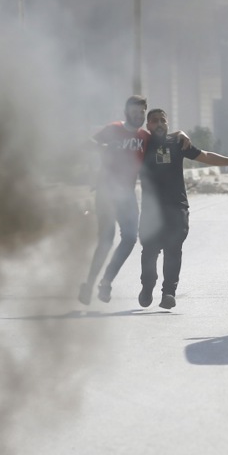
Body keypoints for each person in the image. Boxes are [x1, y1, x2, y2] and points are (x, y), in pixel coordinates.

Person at [137, 108, 228, 309]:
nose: (159, 124)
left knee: (174, 250)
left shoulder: (177, 144)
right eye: (154, 121)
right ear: (148, 126)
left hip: (176, 207)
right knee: (149, 253)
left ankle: (169, 293)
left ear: (167, 123)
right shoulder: (142, 144)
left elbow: (205, 156)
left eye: (162, 120)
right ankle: (147, 287)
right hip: (150, 211)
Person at [78, 95, 150, 305]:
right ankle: (89, 285)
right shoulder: (114, 128)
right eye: (135, 112)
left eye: (142, 112)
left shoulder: (145, 137)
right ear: (127, 112)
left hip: (127, 193)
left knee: (129, 238)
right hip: (106, 191)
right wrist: (104, 149)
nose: (139, 115)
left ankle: (106, 282)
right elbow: (88, 144)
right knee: (106, 240)